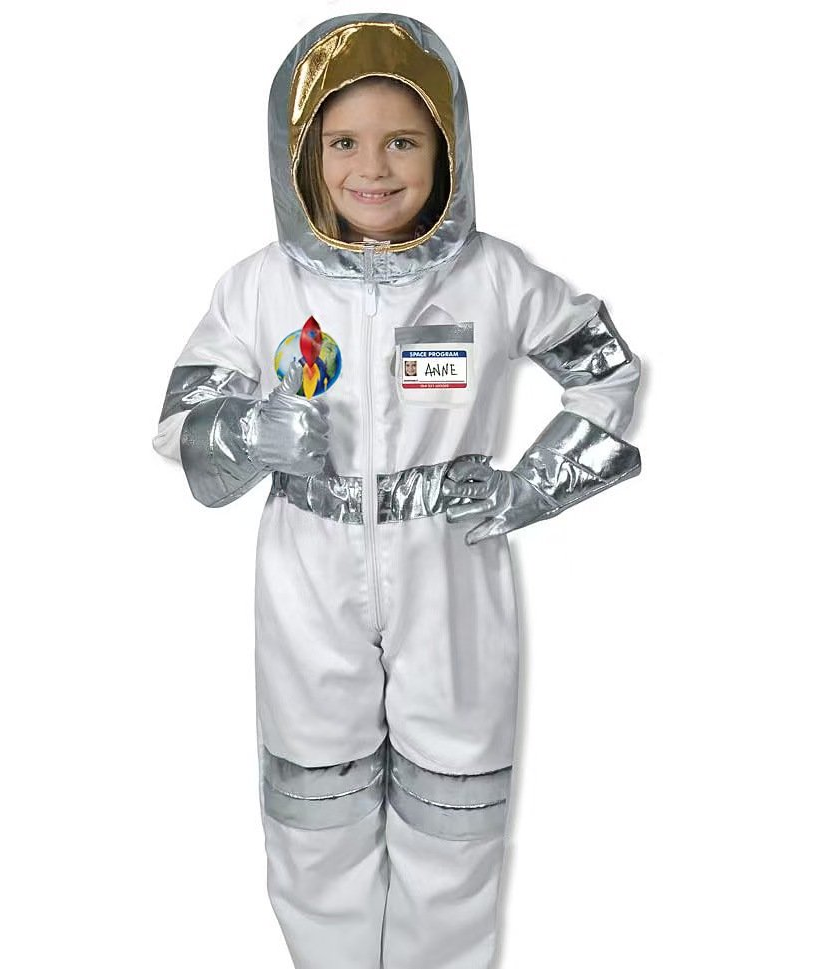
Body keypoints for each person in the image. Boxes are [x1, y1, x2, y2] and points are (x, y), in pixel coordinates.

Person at [152, 13, 642, 969]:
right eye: (342, 142)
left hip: (449, 558)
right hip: (308, 561)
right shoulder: (260, 287)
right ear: (299, 154)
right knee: (314, 797)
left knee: (455, 800)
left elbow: (603, 366)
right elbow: (182, 415)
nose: (371, 168)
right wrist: (247, 431)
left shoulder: (492, 277)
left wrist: (538, 483)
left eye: (403, 141)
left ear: (447, 148)